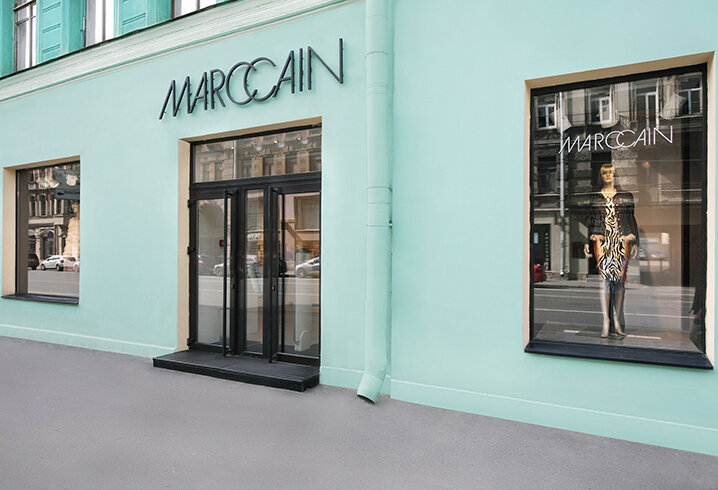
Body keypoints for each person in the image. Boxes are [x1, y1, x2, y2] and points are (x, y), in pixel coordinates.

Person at [583, 163, 639, 339]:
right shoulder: (596, 197)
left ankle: (617, 320)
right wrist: (587, 241)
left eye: (611, 172)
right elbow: (591, 221)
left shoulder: (625, 196)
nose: (608, 175)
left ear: (616, 175)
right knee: (606, 282)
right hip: (603, 242)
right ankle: (606, 320)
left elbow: (631, 218)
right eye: (604, 173)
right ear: (601, 176)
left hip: (621, 240)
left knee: (620, 282)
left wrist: (635, 241)